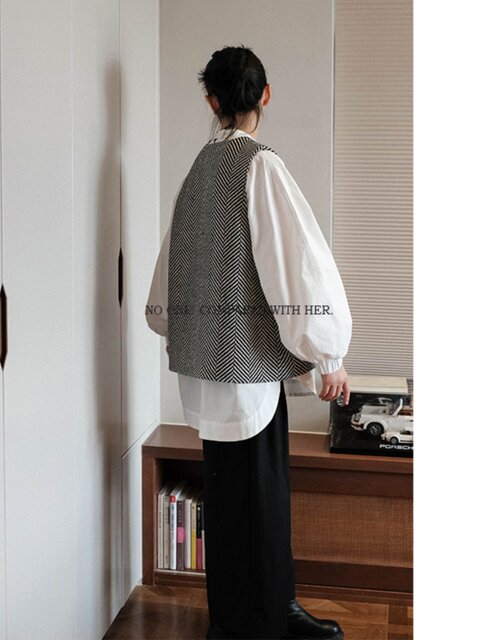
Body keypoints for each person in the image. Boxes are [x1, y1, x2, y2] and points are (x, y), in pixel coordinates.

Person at [146, 45, 352, 640]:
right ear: (265, 95)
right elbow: (297, 266)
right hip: (247, 370)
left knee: (229, 500)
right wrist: (328, 355)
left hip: (204, 368)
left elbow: (170, 269)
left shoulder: (197, 172)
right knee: (260, 501)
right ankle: (264, 623)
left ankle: (243, 618)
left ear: (210, 101)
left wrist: (177, 328)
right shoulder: (261, 166)